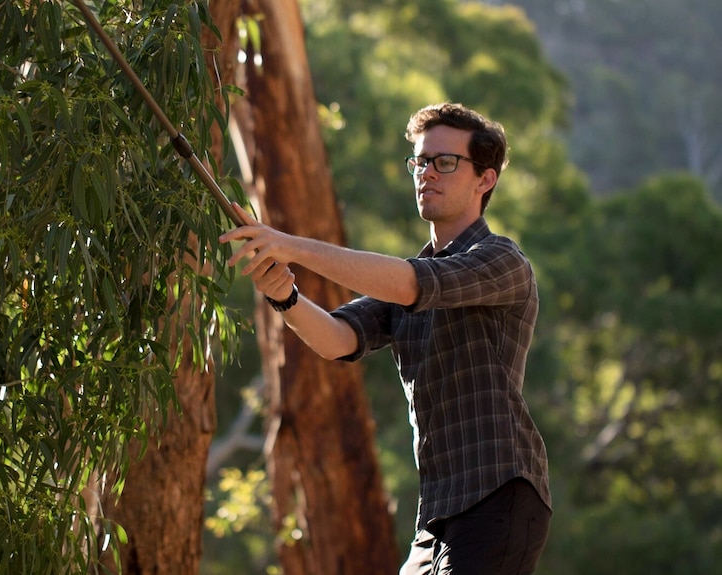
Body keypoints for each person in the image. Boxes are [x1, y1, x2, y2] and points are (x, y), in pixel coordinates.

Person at [219, 102, 552, 574]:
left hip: (499, 494)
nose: (427, 173)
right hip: (436, 515)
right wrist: (286, 298)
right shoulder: (406, 280)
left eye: (446, 162)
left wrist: (289, 244)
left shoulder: (501, 261)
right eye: (420, 161)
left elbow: (411, 283)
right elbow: (338, 338)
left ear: (485, 179)